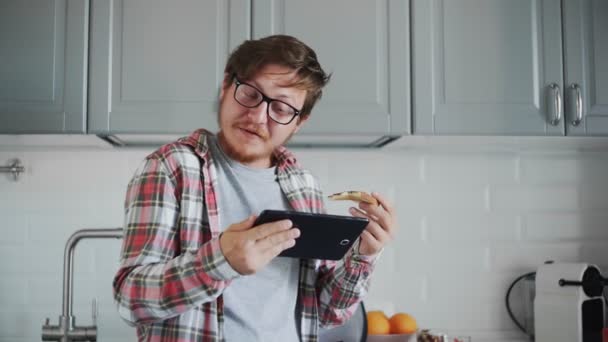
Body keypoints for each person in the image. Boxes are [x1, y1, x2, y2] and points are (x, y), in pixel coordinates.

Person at [112, 34, 397, 342]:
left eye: (282, 108)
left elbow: (326, 313)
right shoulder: (170, 168)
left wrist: (363, 255)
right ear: (225, 86)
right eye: (250, 93)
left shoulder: (304, 186)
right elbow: (131, 300)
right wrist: (221, 261)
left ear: (299, 122)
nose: (258, 117)